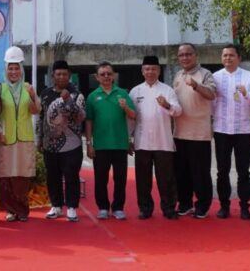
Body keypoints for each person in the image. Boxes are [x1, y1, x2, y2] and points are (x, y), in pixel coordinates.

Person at [212, 44, 250, 220]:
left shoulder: (248, 77)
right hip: (221, 130)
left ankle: (244, 206)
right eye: (225, 55)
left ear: (239, 58)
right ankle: (224, 206)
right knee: (222, 170)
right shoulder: (215, 77)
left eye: (231, 55)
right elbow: (209, 103)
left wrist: (246, 94)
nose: (228, 58)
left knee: (243, 170)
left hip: (242, 130)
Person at [129, 55, 182, 220]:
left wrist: (167, 105)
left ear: (159, 70)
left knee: (166, 178)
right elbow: (131, 117)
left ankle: (168, 208)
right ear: (142, 71)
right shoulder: (135, 91)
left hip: (163, 141)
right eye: (147, 69)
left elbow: (178, 111)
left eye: (153, 69)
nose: (150, 72)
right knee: (143, 179)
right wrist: (129, 138)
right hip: (142, 141)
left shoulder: (167, 90)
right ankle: (145, 208)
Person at [0, 46, 41, 222]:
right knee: (5, 175)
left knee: (21, 176)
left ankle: (22, 210)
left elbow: (35, 111)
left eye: (16, 68)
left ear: (21, 70)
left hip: (24, 139)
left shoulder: (28, 88)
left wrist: (33, 96)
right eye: (10, 68)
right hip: (5, 138)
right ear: (6, 70)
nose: (13, 72)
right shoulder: (0, 88)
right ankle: (11, 209)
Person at [36, 59, 84, 222]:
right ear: (53, 76)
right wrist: (40, 139)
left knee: (71, 176)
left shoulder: (77, 94)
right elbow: (41, 117)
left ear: (69, 76)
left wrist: (68, 101)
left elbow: (79, 117)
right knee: (52, 176)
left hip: (72, 145)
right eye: (58, 74)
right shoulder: (45, 93)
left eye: (64, 74)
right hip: (50, 145)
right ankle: (56, 205)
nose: (61, 77)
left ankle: (71, 207)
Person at [86, 61, 135, 220]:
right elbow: (89, 121)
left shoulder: (122, 93)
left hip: (120, 144)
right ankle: (103, 207)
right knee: (100, 179)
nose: (106, 76)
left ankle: (118, 207)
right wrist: (89, 143)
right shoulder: (93, 97)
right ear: (97, 77)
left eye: (109, 73)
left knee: (120, 179)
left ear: (114, 75)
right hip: (100, 145)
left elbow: (133, 116)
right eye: (102, 74)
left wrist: (125, 107)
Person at [172, 42, 216, 219]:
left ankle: (203, 205)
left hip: (199, 133)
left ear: (196, 55)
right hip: (180, 132)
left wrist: (196, 85)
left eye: (188, 54)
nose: (185, 58)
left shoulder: (205, 74)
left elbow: (212, 94)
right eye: (181, 55)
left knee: (200, 172)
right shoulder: (177, 75)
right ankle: (185, 203)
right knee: (181, 172)